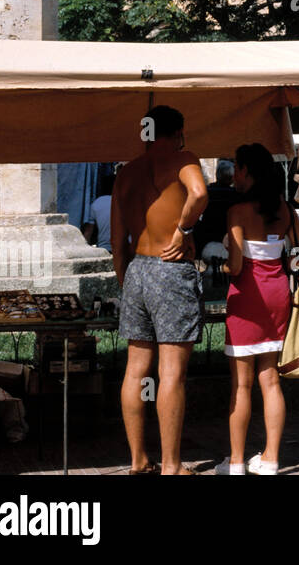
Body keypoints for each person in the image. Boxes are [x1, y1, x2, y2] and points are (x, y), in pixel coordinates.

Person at [110, 105, 208, 476]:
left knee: (136, 371)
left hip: (137, 269)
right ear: (179, 132)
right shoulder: (183, 158)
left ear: (145, 134)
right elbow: (198, 193)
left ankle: (138, 460)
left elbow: (117, 241)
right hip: (170, 270)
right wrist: (183, 230)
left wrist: (127, 281)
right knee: (170, 374)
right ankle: (170, 465)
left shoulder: (126, 173)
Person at [217, 143, 299, 476]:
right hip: (277, 296)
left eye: (236, 168)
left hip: (247, 298)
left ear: (247, 171)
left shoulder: (237, 212)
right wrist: (284, 258)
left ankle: (236, 463)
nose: (234, 175)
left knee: (241, 385)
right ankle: (271, 459)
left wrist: (222, 269)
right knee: (270, 379)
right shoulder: (285, 209)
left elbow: (237, 264)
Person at [196, 159, 240, 257]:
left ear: (216, 175)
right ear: (232, 178)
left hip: (206, 236)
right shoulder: (237, 195)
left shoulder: (207, 192)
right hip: (229, 237)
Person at [84, 173, 114, 252]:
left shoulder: (96, 203)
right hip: (127, 249)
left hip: (105, 249)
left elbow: (88, 232)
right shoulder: (128, 202)